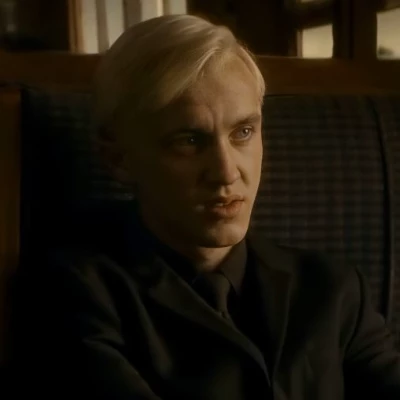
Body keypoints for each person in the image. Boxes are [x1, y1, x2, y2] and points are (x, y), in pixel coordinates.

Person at [10, 14, 400, 400]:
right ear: (119, 159)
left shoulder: (332, 289)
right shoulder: (73, 291)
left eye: (243, 132)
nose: (227, 172)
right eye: (189, 140)